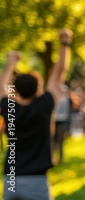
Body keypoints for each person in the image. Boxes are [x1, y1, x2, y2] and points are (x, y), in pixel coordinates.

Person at [0, 29, 72, 200]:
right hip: (36, 180)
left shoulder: (10, 108)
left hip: (11, 179)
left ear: (15, 90)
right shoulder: (44, 106)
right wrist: (65, 43)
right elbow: (59, 74)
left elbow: (2, 86)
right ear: (37, 90)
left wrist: (11, 62)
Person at [53, 83, 72, 164]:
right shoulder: (54, 98)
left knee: (60, 140)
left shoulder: (67, 100)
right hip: (55, 121)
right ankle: (53, 157)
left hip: (63, 121)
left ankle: (60, 158)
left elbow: (69, 113)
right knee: (54, 140)